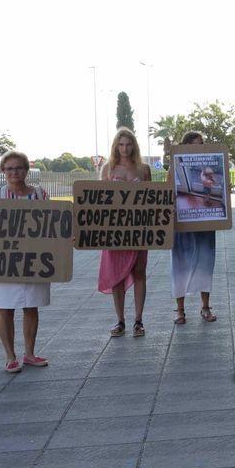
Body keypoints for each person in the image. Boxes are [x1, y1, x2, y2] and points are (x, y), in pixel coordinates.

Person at [0, 151, 51, 373]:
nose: (15, 172)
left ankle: (30, 353)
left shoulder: (40, 195)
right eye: (10, 168)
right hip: (4, 261)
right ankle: (10, 356)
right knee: (5, 308)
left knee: (31, 306)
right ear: (3, 171)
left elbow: (52, 224)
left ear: (26, 170)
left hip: (33, 259)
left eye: (19, 168)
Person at [98, 128, 151, 337]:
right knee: (116, 276)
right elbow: (98, 200)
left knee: (139, 273)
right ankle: (120, 320)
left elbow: (152, 198)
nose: (125, 148)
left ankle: (139, 320)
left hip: (138, 228)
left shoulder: (143, 169)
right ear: (115, 146)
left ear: (134, 146)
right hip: (114, 229)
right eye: (121, 144)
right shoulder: (108, 169)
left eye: (128, 144)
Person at [170, 131, 217, 324]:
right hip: (183, 223)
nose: (199, 147)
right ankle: (180, 310)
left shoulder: (209, 168)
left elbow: (214, 191)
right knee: (180, 265)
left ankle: (205, 307)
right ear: (185, 146)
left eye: (202, 144)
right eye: (195, 144)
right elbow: (168, 193)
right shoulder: (175, 166)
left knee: (206, 263)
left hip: (205, 222)